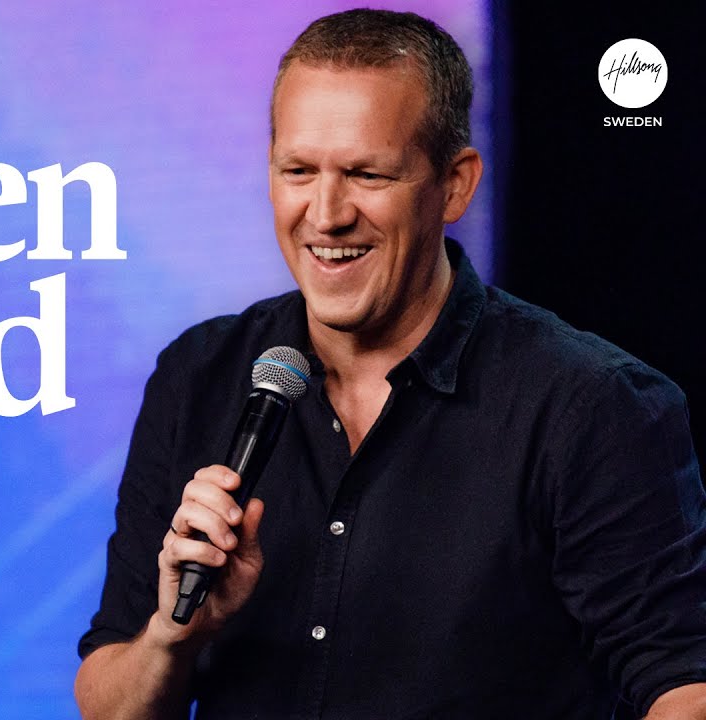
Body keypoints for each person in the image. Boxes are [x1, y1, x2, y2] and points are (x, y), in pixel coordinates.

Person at [75, 9, 706, 719]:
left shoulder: (591, 406)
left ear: (455, 184)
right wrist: (174, 636)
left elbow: (686, 689)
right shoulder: (198, 373)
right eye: (298, 171)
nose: (326, 214)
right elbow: (107, 699)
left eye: (366, 174)